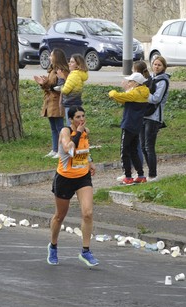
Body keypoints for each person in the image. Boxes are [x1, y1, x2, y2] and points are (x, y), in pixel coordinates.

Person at [47, 106, 99, 267]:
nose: (81, 119)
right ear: (71, 119)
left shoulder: (85, 132)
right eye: (78, 117)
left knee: (88, 213)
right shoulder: (65, 131)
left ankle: (85, 251)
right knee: (60, 216)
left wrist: (89, 162)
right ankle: (53, 246)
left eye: (83, 116)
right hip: (64, 178)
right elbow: (69, 148)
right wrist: (77, 132)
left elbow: (83, 149)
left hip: (82, 177)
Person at [108, 72, 150, 185]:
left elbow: (120, 96)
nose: (128, 83)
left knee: (124, 150)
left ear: (136, 83)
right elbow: (125, 99)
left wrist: (112, 92)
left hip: (128, 124)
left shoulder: (135, 93)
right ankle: (140, 174)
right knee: (133, 150)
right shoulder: (143, 93)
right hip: (137, 125)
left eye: (130, 81)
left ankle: (127, 176)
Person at [34, 48, 68, 158]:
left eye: (51, 55)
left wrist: (48, 84)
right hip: (49, 101)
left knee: (59, 127)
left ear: (56, 57)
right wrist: (43, 83)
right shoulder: (51, 70)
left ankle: (61, 149)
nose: (49, 57)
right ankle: (54, 149)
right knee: (53, 127)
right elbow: (50, 86)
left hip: (57, 102)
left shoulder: (62, 71)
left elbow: (60, 87)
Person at [141, 55, 170, 182]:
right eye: (155, 64)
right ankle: (148, 172)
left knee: (149, 146)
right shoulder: (150, 78)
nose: (156, 67)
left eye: (159, 65)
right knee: (142, 146)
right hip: (144, 115)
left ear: (164, 67)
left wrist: (142, 95)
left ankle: (153, 174)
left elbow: (156, 99)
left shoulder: (163, 81)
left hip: (154, 117)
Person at [57, 54, 88, 126]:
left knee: (71, 126)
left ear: (78, 65)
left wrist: (61, 79)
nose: (69, 64)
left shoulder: (74, 75)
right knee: (77, 126)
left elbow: (65, 90)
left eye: (72, 62)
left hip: (70, 104)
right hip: (77, 102)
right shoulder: (80, 74)